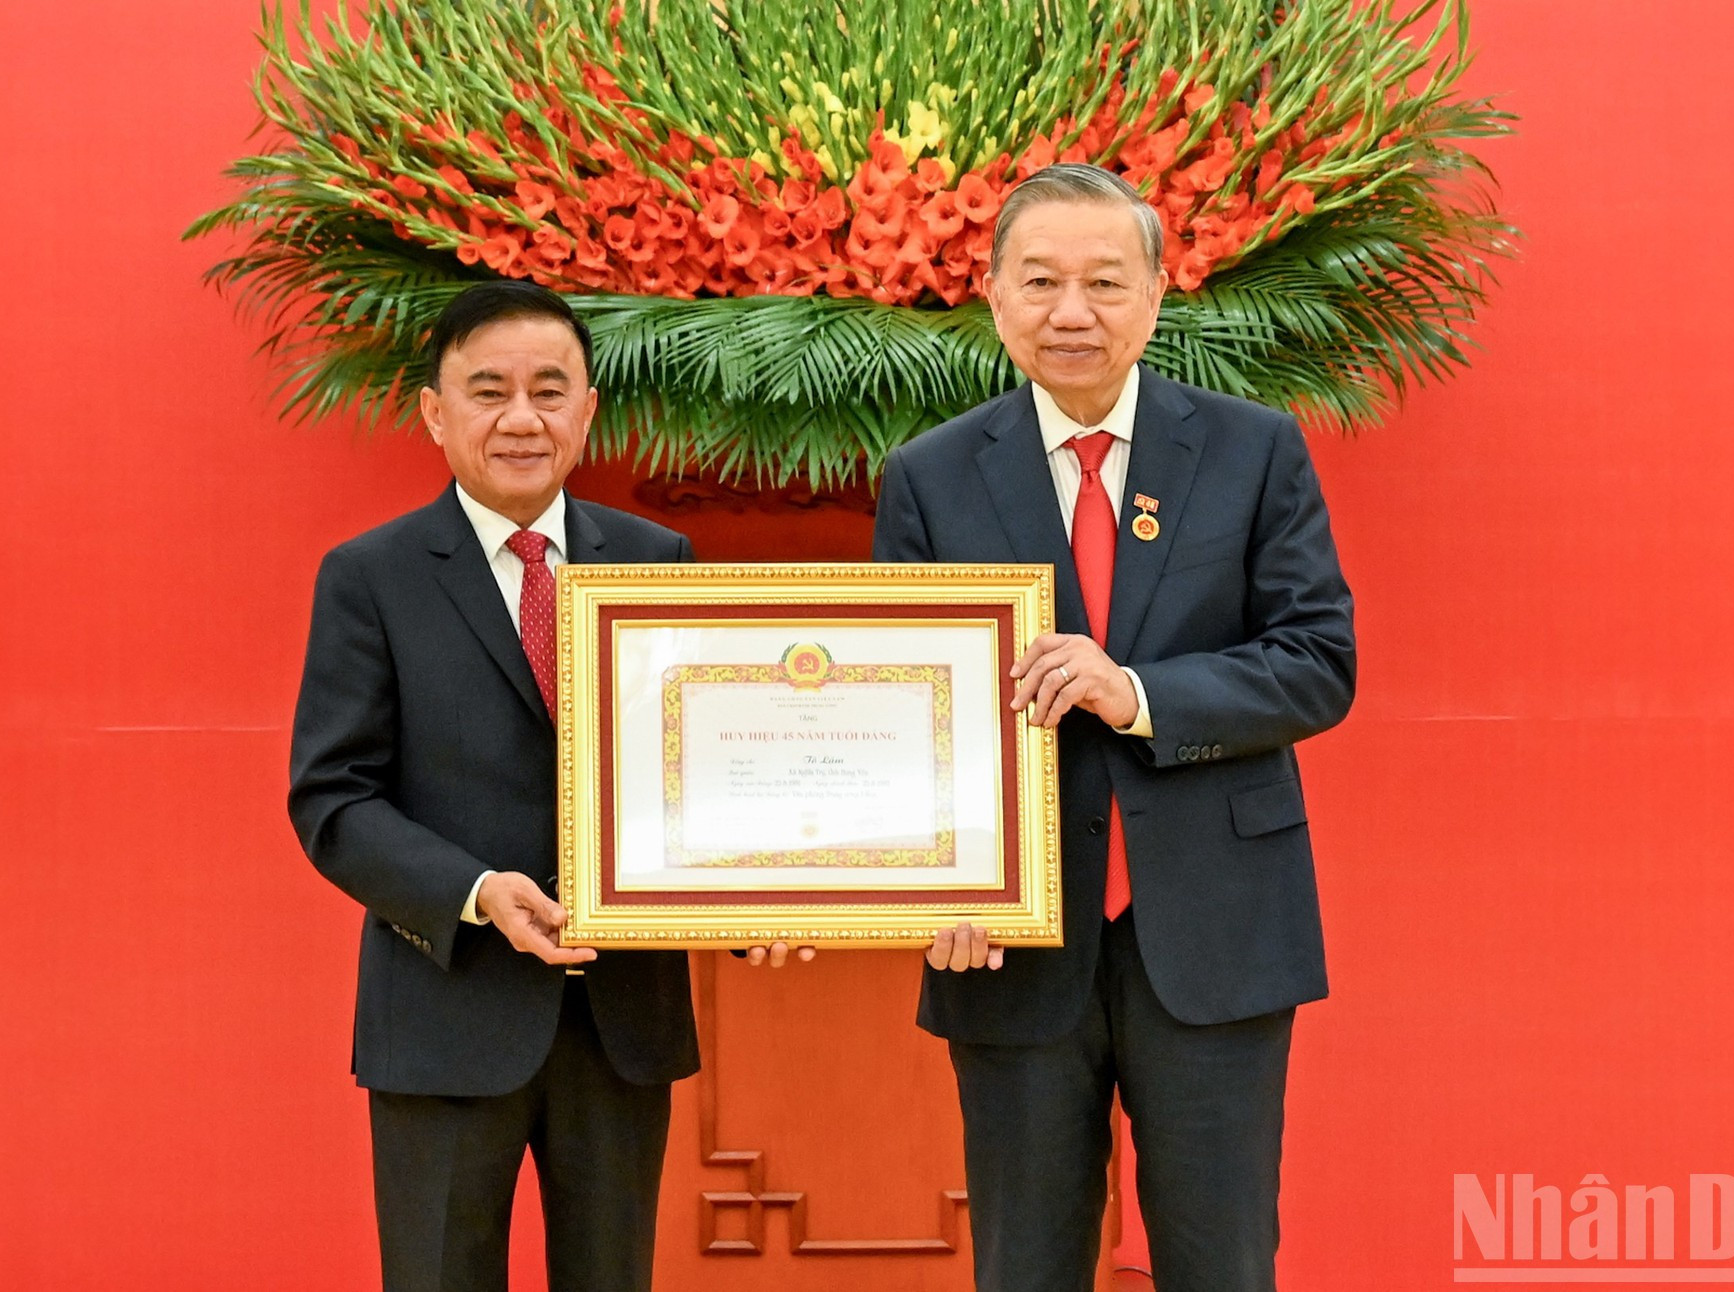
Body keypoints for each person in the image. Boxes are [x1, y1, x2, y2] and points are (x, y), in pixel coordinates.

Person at [871, 164, 1357, 1291]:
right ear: (992, 297)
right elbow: (901, 717)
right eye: (1038, 281)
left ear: (1154, 295)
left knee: (1221, 1259)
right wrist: (932, 883)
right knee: (1025, 1262)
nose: (1070, 311)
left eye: (1102, 280)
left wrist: (1131, 691)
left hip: (1213, 925)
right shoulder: (932, 476)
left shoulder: (1251, 449)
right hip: (1012, 941)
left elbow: (1316, 664)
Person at [287, 281, 795, 1292]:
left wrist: (747, 898)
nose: (522, 417)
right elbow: (332, 798)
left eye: (548, 389)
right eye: (488, 390)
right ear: (436, 412)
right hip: (446, 1012)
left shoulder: (656, 561)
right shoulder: (371, 575)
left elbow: (695, 770)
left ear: (587, 409)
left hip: (620, 1019)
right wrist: (477, 892)